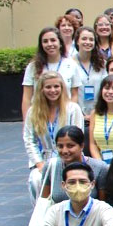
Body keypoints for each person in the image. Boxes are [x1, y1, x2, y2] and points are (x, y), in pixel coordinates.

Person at [23, 71, 85, 201]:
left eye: (56, 86)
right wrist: (39, 163)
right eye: (48, 87)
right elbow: (29, 140)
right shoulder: (33, 112)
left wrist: (67, 161)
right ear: (41, 89)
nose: (53, 90)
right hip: (44, 159)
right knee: (36, 180)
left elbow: (78, 138)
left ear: (62, 88)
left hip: (69, 158)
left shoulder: (73, 109)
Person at [33, 126, 109, 206]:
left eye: (70, 146)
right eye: (60, 146)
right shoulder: (51, 166)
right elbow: (44, 200)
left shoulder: (100, 168)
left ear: (82, 146)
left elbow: (103, 204)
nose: (64, 151)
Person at [21, 27, 78, 118]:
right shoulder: (33, 67)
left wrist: (70, 115)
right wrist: (26, 122)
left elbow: (74, 94)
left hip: (63, 116)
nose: (49, 44)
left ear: (60, 43)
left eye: (53, 40)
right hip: (39, 116)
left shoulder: (71, 65)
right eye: (45, 41)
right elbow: (27, 98)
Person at [73, 26, 110, 121]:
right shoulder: (70, 64)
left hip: (99, 115)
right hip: (77, 116)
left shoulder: (102, 63)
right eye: (84, 39)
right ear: (77, 41)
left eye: (91, 40)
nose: (88, 42)